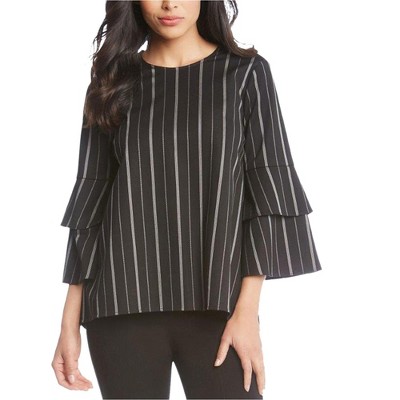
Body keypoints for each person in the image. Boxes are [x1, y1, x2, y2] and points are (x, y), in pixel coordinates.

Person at [51, 1, 322, 399]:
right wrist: (68, 323)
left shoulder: (246, 73)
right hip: (120, 303)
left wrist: (247, 313)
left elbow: (267, 190)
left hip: (217, 305)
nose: (170, 4)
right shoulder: (112, 81)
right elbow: (92, 200)